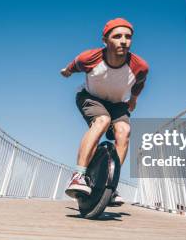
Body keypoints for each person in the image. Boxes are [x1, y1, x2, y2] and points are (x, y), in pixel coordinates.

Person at [60, 18, 149, 206]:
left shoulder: (139, 66)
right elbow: (74, 65)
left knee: (124, 132)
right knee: (102, 120)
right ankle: (78, 176)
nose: (123, 41)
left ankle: (111, 183)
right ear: (105, 40)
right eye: (117, 36)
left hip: (118, 104)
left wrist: (133, 100)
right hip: (90, 97)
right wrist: (67, 71)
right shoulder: (90, 58)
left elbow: (139, 84)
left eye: (128, 37)